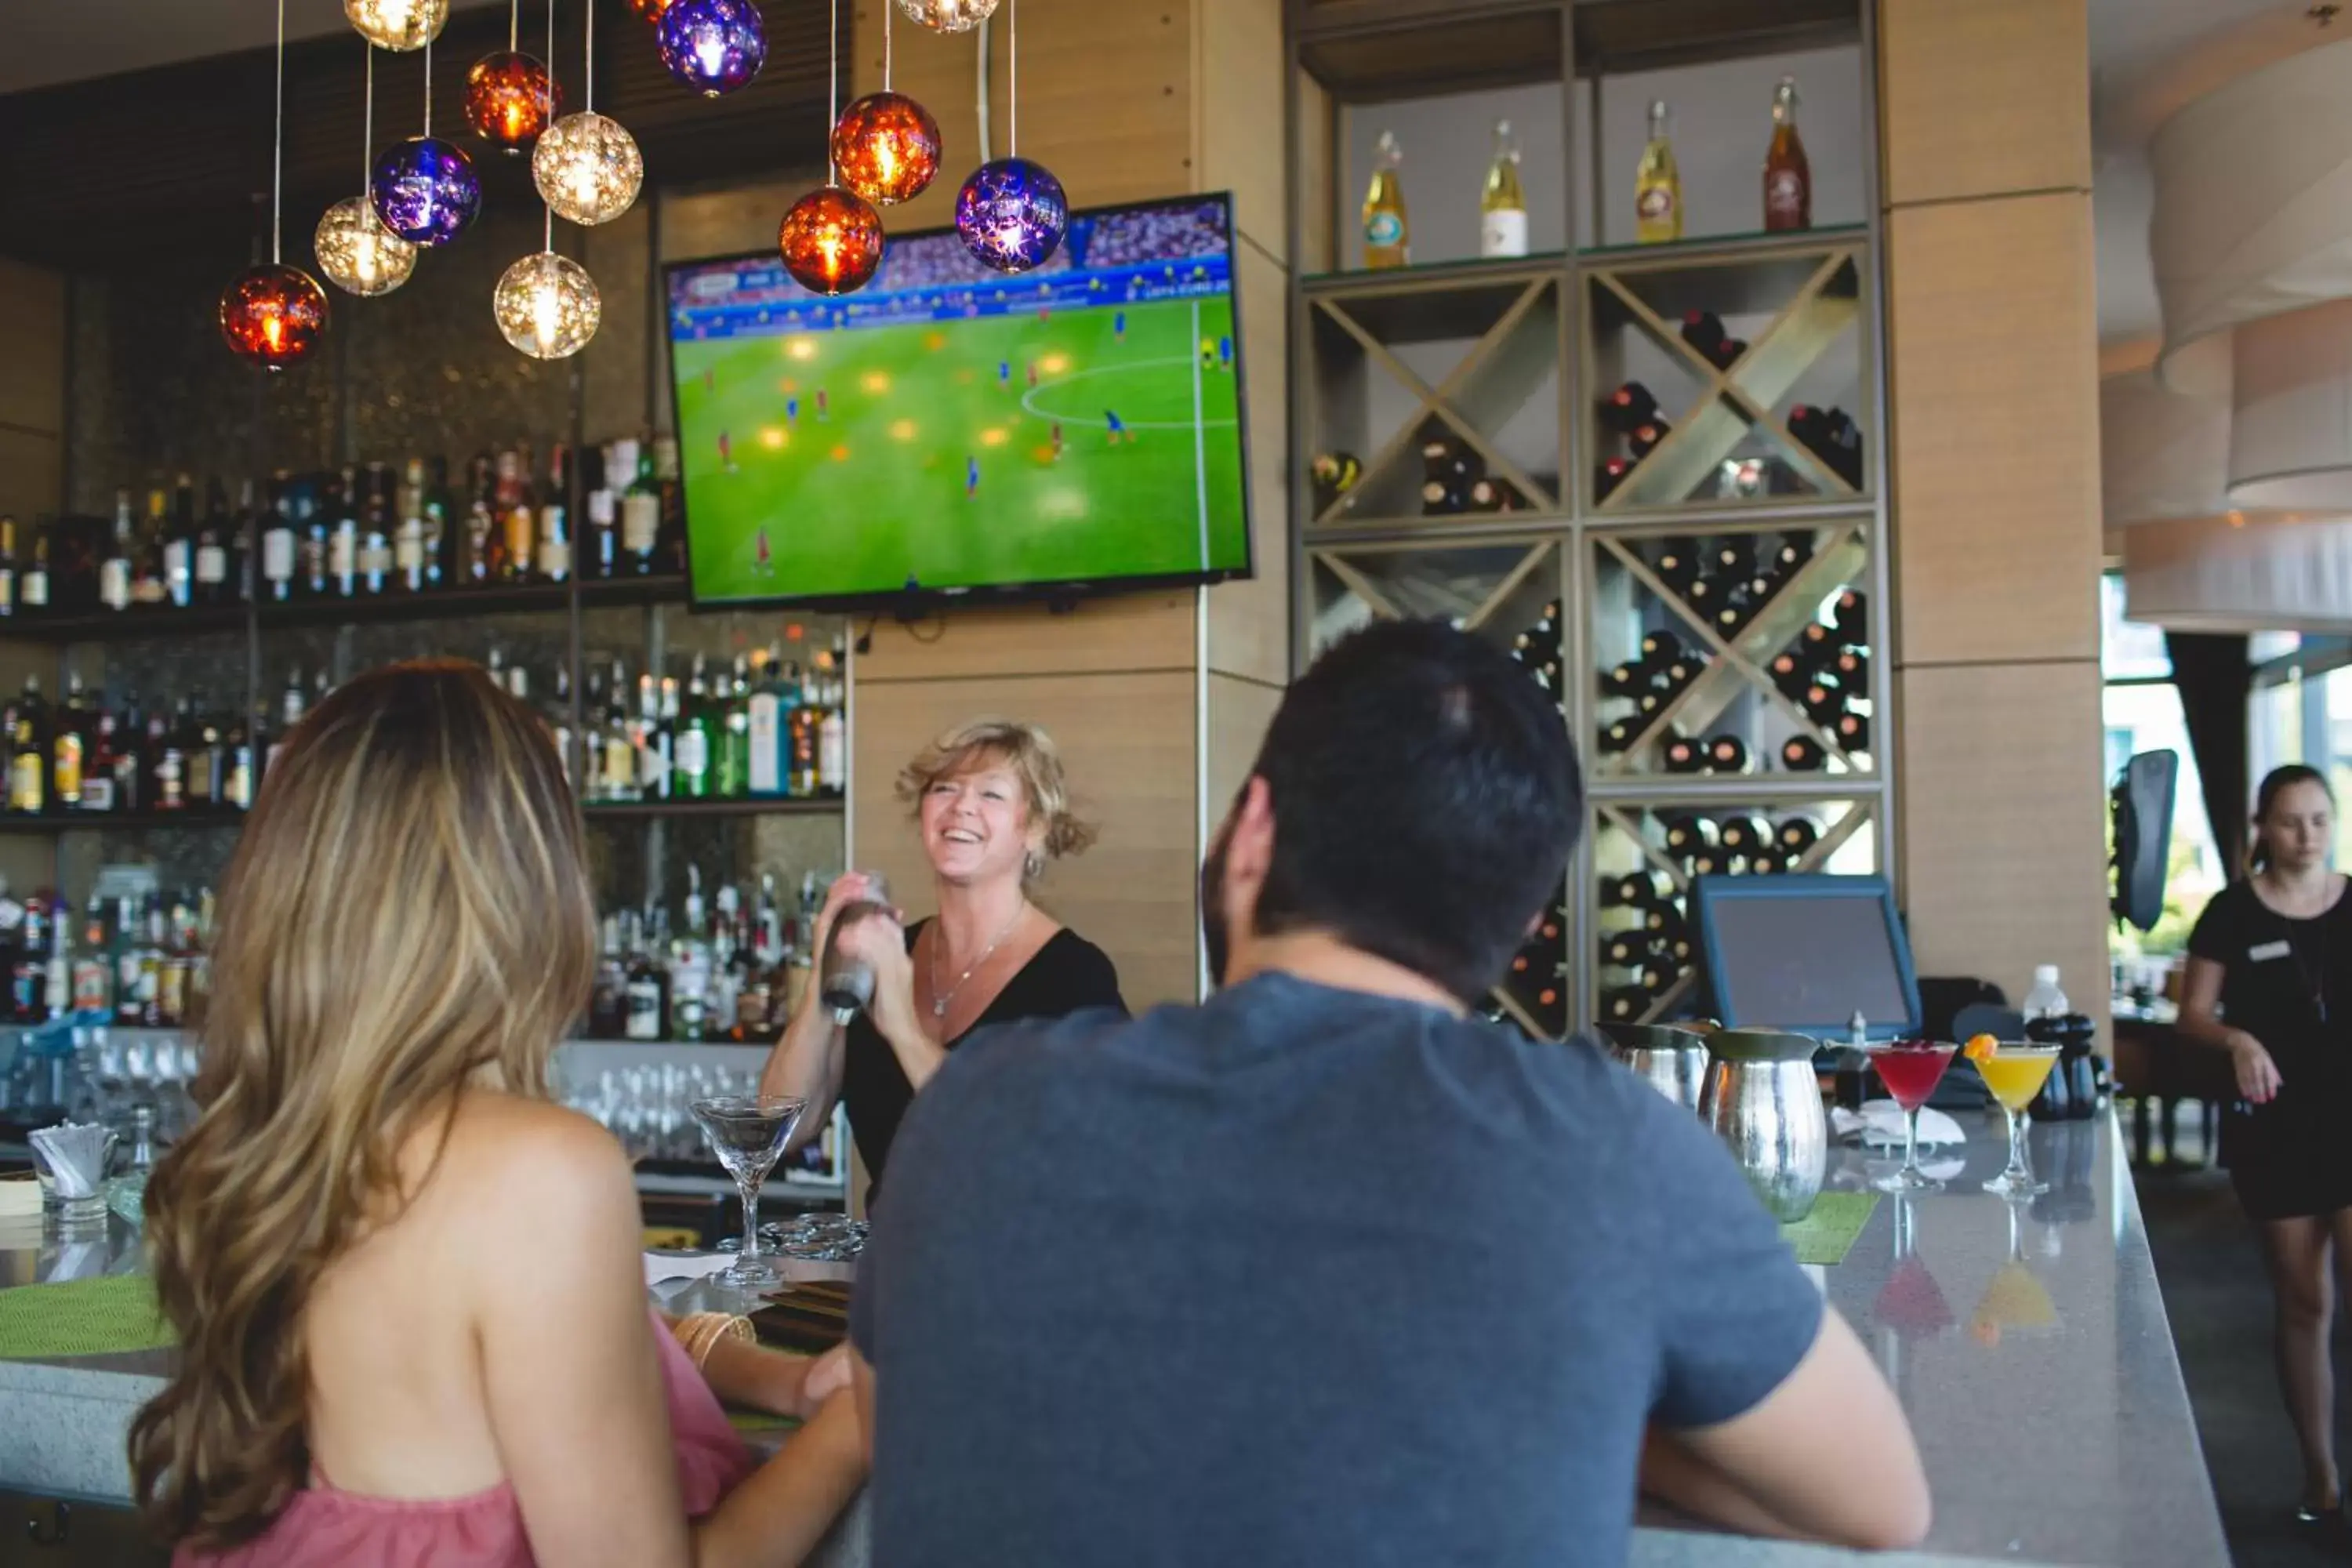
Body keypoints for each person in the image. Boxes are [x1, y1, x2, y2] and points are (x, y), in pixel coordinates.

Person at [845, 620, 1930, 1565]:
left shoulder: (969, 1116)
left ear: (1253, 835)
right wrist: (1563, 1375)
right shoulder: (1614, 1153)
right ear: (1518, 921)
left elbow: (898, 1430)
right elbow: (1881, 1503)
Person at [129, 662, 864, 1567]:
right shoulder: (539, 1170)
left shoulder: (274, 1144)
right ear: (526, 882)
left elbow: (563, 1340)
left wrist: (784, 1379)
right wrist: (863, 1419)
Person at [761, 717, 1124, 1198]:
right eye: (945, 788)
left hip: (1014, 1268)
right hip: (890, 1267)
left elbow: (1021, 1157)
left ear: (1034, 830)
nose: (961, 808)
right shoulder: (886, 955)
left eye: (991, 794)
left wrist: (903, 1028)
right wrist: (823, 977)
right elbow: (778, 1130)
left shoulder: (1074, 979)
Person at [2180, 764, 2352, 1526]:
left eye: (2320, 818)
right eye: (2290, 820)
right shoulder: (2231, 911)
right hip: (2275, 1123)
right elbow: (2192, 1013)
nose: (2307, 834)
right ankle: (2320, 1474)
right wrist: (2238, 1036)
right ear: (2262, 825)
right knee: (2304, 1301)